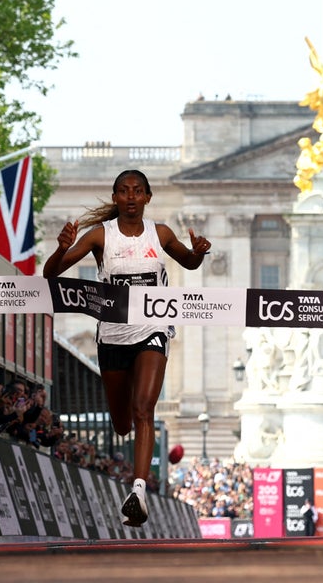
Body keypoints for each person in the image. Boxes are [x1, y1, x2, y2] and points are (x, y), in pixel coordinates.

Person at [43, 169, 211, 528]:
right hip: (113, 336)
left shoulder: (161, 233)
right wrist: (61, 247)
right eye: (124, 191)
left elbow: (189, 262)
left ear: (148, 197)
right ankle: (133, 460)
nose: (131, 196)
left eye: (137, 191)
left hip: (153, 328)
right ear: (116, 197)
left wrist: (197, 253)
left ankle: (138, 489)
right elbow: (50, 275)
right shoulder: (100, 236)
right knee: (121, 424)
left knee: (143, 409)